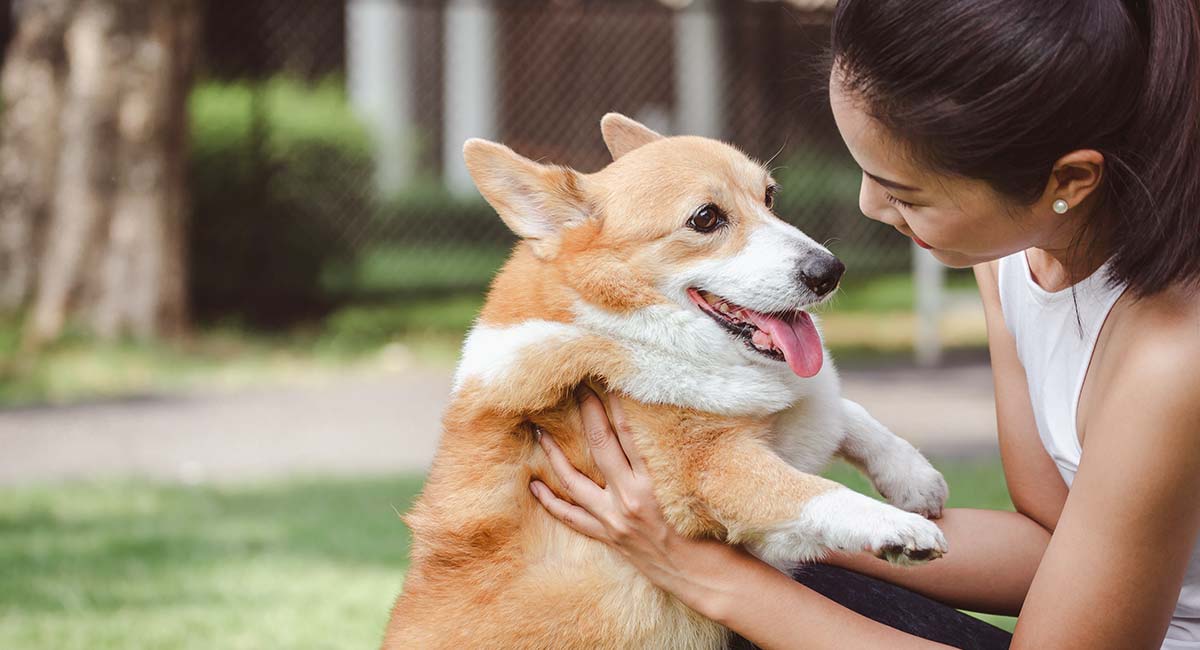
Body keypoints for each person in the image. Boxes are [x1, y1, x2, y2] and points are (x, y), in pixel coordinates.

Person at [526, 0, 1200, 647]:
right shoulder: (1015, 265)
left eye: (905, 192)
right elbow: (1047, 543)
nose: (869, 206)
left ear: (1070, 182)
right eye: (866, 171)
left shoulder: (1172, 357)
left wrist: (699, 571)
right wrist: (753, 523)